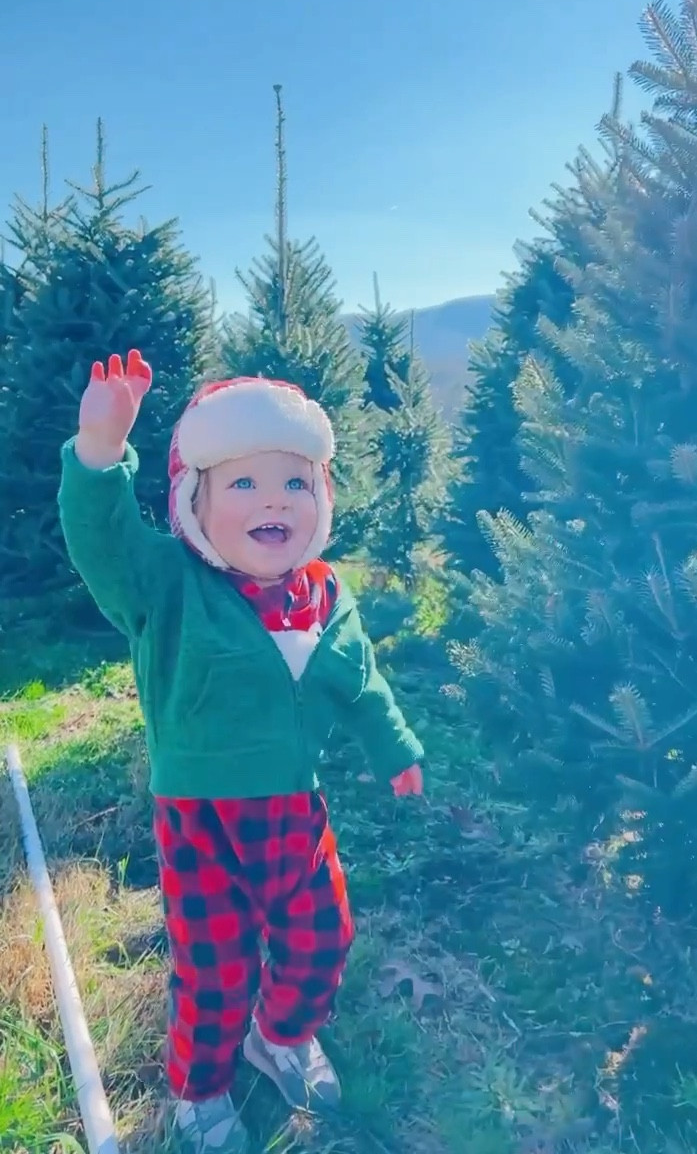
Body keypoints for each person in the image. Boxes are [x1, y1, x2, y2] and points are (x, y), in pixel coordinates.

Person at [58, 350, 425, 1154]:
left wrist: (393, 745)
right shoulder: (166, 583)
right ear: (197, 500)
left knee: (322, 936)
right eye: (246, 484)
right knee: (215, 967)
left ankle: (282, 1035)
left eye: (295, 483)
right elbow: (101, 538)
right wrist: (99, 451)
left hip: (297, 810)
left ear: (321, 501)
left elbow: (361, 682)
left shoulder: (325, 593)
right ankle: (201, 1087)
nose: (274, 502)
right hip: (202, 819)